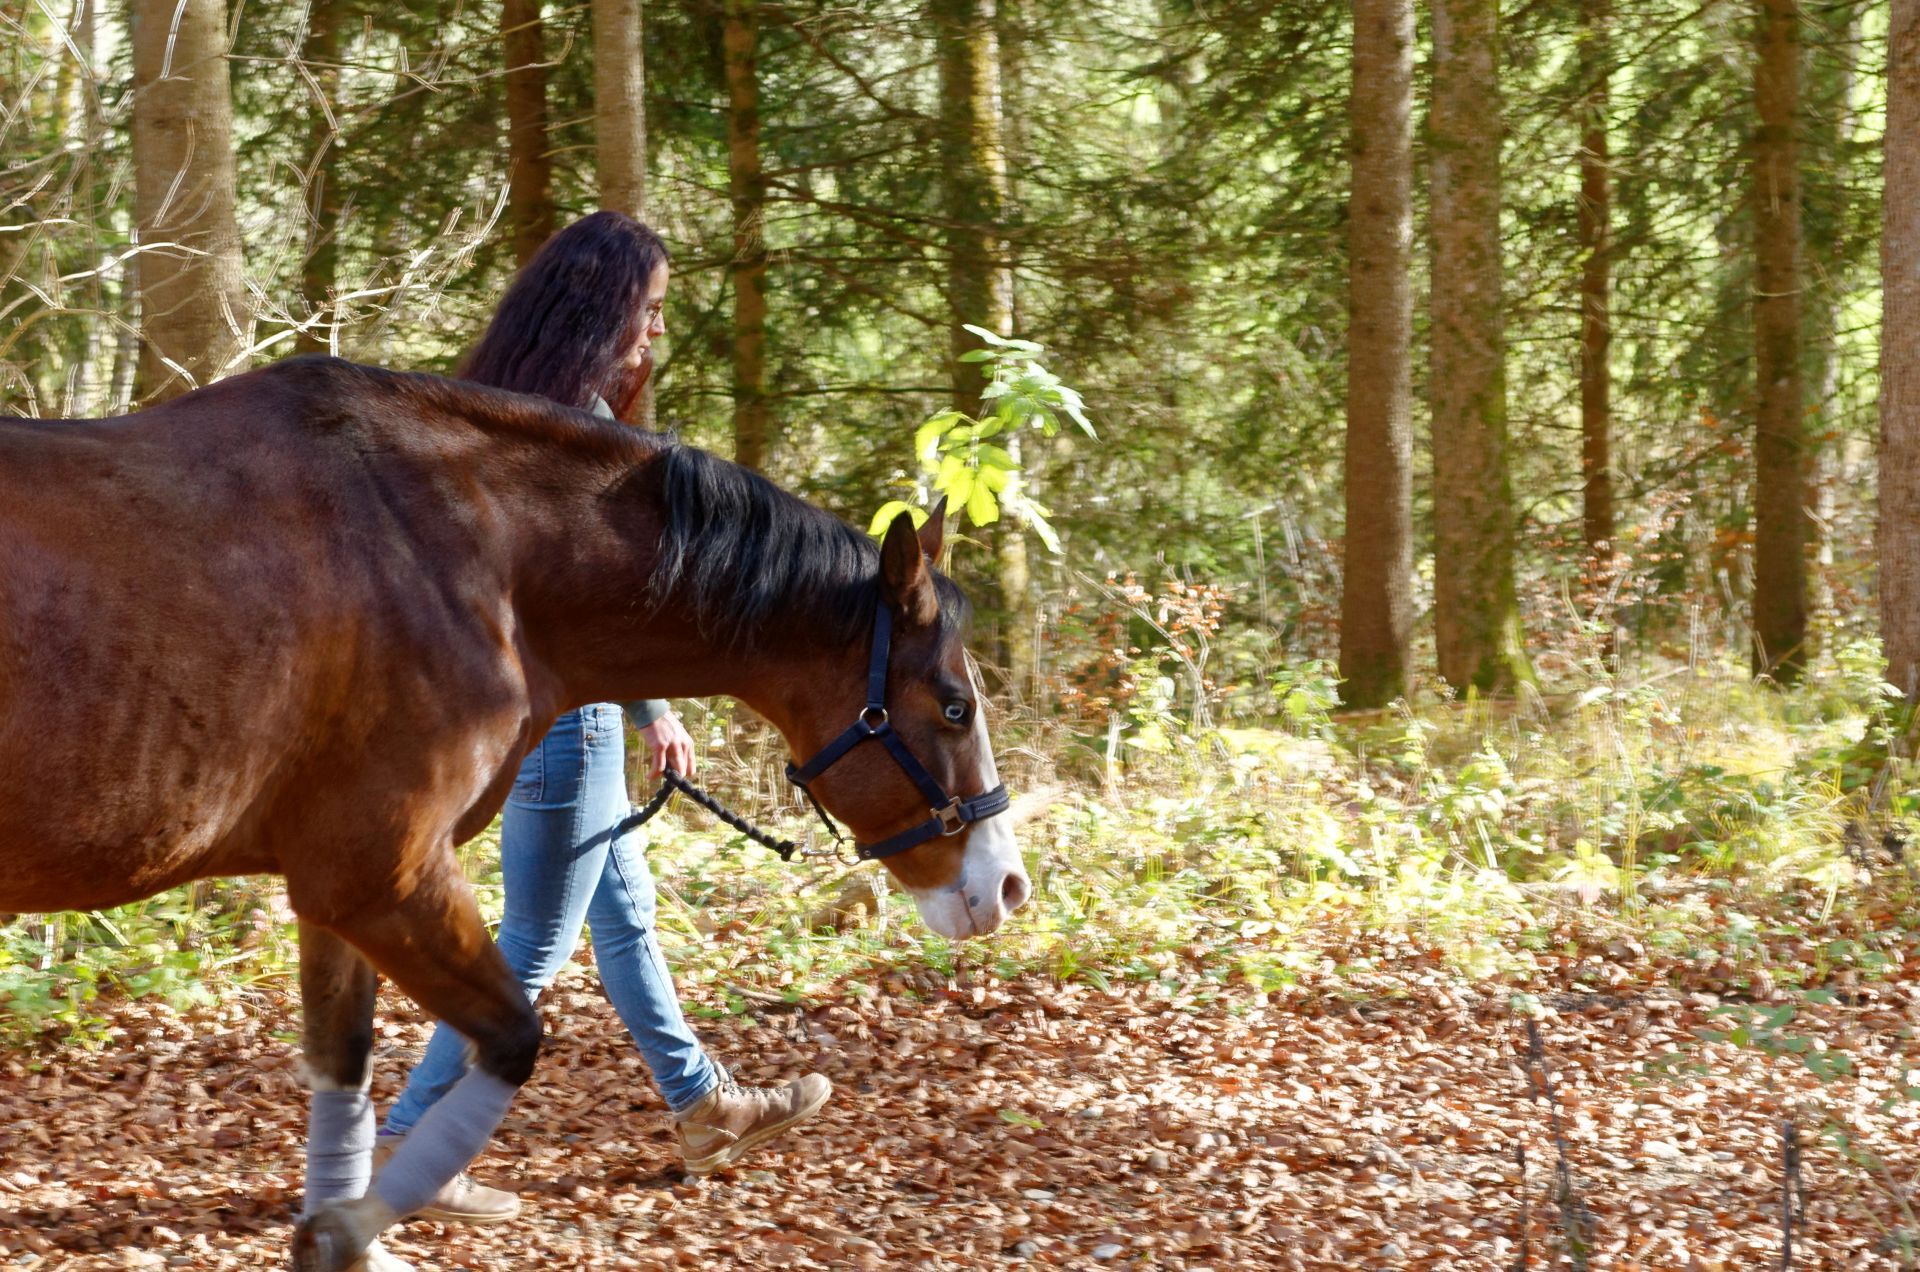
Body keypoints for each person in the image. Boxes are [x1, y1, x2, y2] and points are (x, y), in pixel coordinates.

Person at [372, 211, 831, 1223]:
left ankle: (705, 1106)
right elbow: (597, 600)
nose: (655, 333)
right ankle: (411, 1141)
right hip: (564, 719)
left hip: (539, 709)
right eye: (649, 310)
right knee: (533, 943)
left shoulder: (499, 412)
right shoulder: (573, 434)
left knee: (623, 916)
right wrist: (651, 704)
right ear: (603, 308)